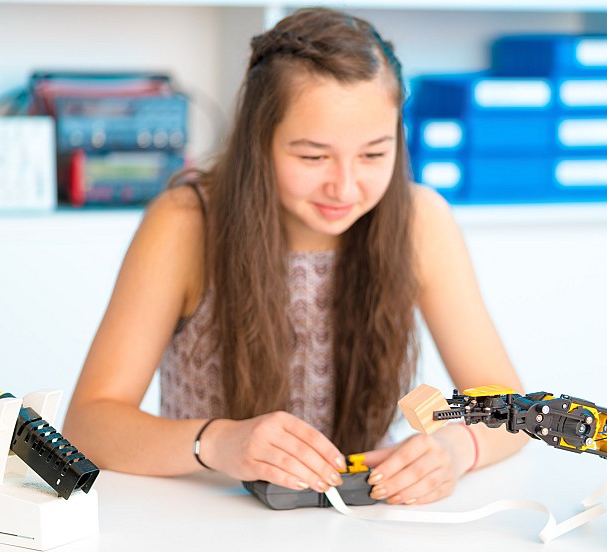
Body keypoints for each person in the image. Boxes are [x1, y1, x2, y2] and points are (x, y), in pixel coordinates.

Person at [63, 6, 526, 506]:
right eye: (312, 156)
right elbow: (89, 425)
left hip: (363, 523)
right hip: (207, 520)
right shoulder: (185, 222)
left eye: (374, 154)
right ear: (258, 141)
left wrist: (455, 448)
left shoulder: (420, 219)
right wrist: (218, 442)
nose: (345, 186)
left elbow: (513, 413)